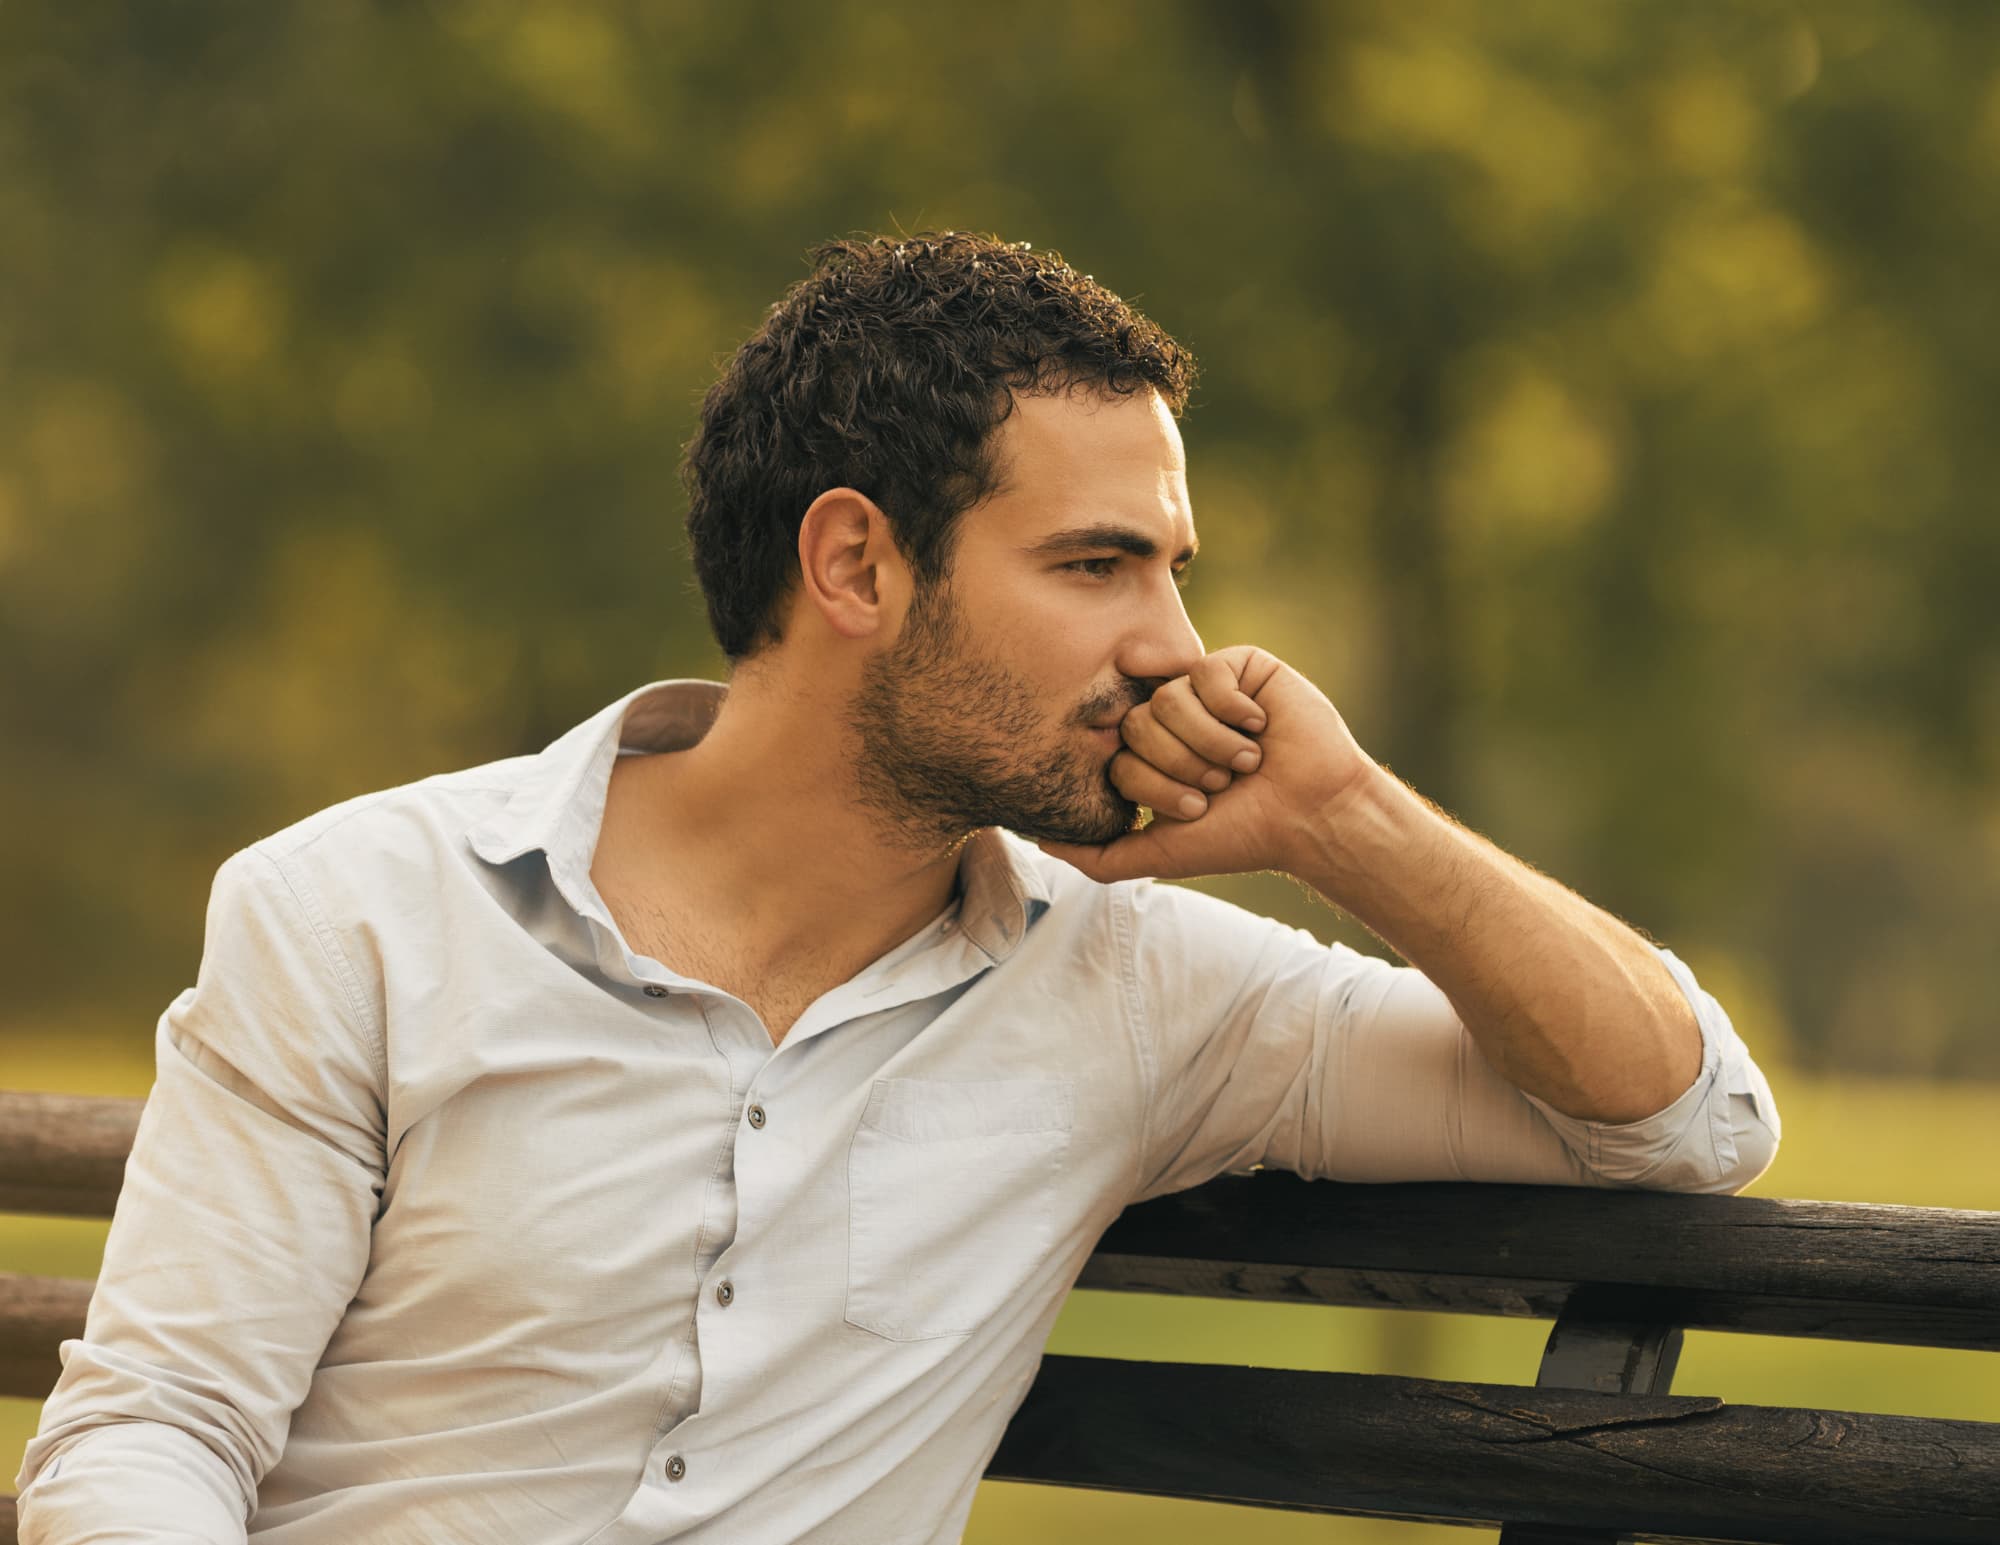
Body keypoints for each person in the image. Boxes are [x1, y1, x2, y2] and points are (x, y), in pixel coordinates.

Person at [16, 231, 1781, 1544]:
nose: (1175, 645)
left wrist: (1349, 823)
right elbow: (151, 1430)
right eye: (1096, 564)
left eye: (1172, 569)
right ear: (857, 561)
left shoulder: (1145, 989)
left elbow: (1685, 1115)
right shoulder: (359, 914)